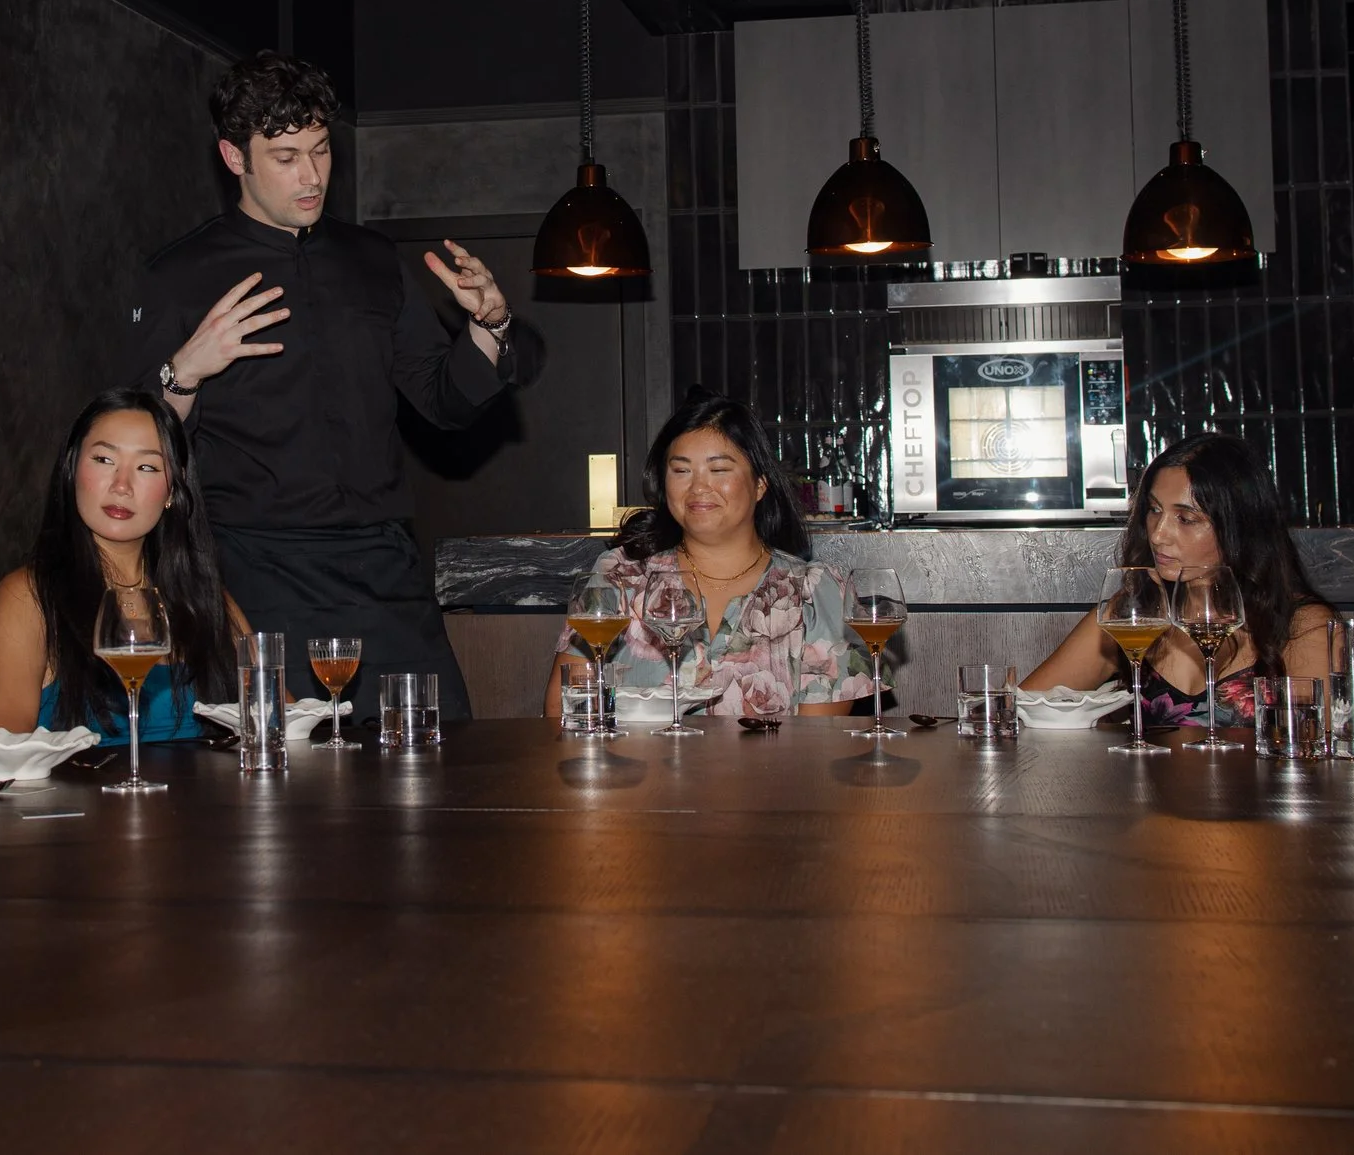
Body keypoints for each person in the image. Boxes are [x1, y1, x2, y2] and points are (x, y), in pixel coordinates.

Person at [118, 52, 542, 722]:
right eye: (285, 157)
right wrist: (184, 369)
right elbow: (136, 450)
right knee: (294, 801)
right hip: (257, 571)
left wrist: (489, 327)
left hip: (383, 567)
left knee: (443, 769)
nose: (312, 175)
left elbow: (444, 399)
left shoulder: (374, 261)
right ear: (234, 157)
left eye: (320, 151)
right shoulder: (178, 275)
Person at [541, 396, 871, 719]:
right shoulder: (620, 576)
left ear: (759, 484)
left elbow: (820, 746)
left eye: (718, 469)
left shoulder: (814, 592)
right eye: (681, 471)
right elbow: (563, 711)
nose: (698, 487)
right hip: (637, 774)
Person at [0, 390, 250, 742]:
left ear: (172, 491)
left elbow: (283, 722)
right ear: (72, 467)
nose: (122, 486)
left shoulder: (205, 598)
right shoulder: (28, 596)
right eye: (104, 460)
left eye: (147, 467)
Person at [1024, 432, 1335, 729]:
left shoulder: (1303, 624)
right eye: (1154, 510)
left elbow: (1313, 750)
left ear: (1240, 526)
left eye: (1186, 519)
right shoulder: (1133, 612)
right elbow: (1021, 708)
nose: (1158, 534)